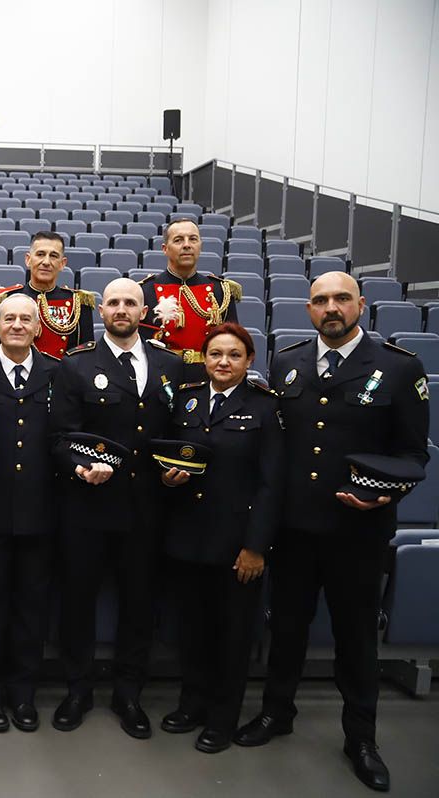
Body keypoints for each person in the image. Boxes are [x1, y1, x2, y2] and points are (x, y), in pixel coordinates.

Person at [235, 271, 430, 793]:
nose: (331, 308)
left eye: (341, 298)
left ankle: (361, 738)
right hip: (295, 529)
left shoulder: (397, 368)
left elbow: (413, 455)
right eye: (320, 300)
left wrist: (388, 493)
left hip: (357, 532)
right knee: (289, 629)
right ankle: (278, 713)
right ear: (308, 310)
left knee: (356, 638)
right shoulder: (289, 363)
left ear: (360, 304)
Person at [49, 277, 183, 739]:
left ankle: (129, 693)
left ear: (143, 310)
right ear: (100, 310)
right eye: (113, 303)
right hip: (88, 505)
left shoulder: (171, 364)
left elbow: (181, 434)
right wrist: (82, 466)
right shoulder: (77, 364)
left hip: (148, 507)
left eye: (130, 302)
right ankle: (77, 689)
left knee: (139, 603)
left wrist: (178, 469)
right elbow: (61, 436)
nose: (121, 309)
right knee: (79, 600)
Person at [159, 322, 283, 754]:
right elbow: (172, 458)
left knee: (232, 636)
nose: (223, 362)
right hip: (188, 538)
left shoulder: (265, 409)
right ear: (204, 359)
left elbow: (271, 485)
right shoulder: (187, 399)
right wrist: (168, 480)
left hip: (237, 545)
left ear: (249, 361)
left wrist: (256, 547)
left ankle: (222, 718)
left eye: (233, 355)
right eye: (215, 354)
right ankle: (191, 704)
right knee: (191, 630)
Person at [0, 294, 60, 733]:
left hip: (40, 513)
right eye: (10, 318)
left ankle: (22, 694)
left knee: (30, 607)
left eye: (27, 319)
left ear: (38, 328)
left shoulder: (58, 374)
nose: (18, 324)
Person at [138, 219, 240, 379]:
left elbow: (233, 343)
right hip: (161, 378)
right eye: (178, 240)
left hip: (208, 379)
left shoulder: (221, 290)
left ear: (200, 245)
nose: (187, 245)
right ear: (165, 249)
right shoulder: (146, 291)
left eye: (193, 239)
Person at [0, 231, 95, 358]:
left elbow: (86, 357)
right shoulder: (5, 299)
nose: (46, 262)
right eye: (40, 254)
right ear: (28, 259)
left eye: (53, 256)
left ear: (62, 263)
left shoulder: (79, 303)